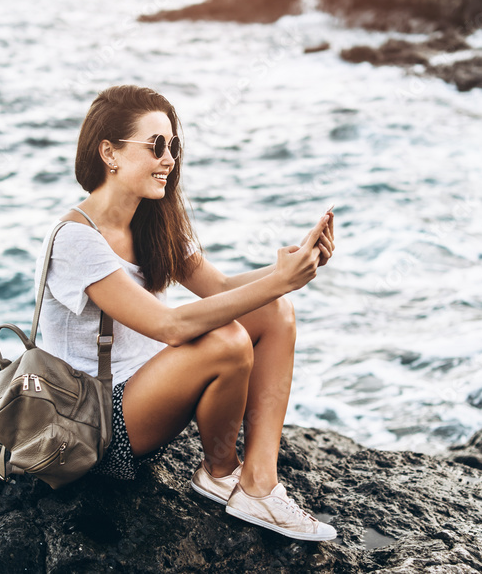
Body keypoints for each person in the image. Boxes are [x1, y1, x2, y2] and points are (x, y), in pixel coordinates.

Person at [34, 84, 337, 541]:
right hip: (94, 430)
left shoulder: (151, 222)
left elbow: (218, 288)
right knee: (228, 342)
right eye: (156, 145)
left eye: (173, 145)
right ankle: (220, 471)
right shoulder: (76, 240)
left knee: (276, 310)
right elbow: (170, 326)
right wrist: (278, 279)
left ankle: (257, 483)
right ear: (109, 153)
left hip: (147, 401)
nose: (169, 158)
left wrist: (287, 270)